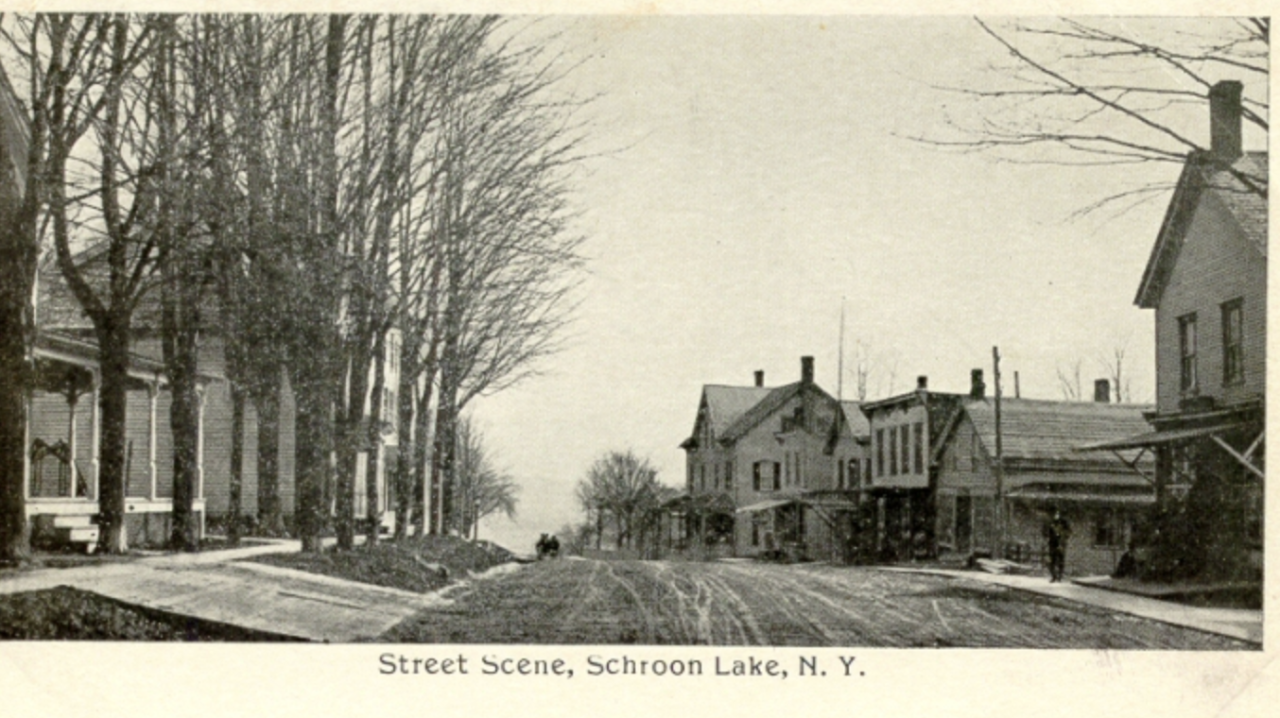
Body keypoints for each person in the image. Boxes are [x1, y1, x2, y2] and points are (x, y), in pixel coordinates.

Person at [1045, 509, 1072, 582]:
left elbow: (1068, 532)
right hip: (1053, 544)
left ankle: (1060, 576)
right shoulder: (1052, 524)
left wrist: (1063, 537)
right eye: (1055, 514)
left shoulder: (1064, 524)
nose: (1056, 516)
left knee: (1061, 561)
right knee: (1052, 561)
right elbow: (1047, 533)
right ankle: (1054, 576)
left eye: (1057, 514)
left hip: (1061, 544)